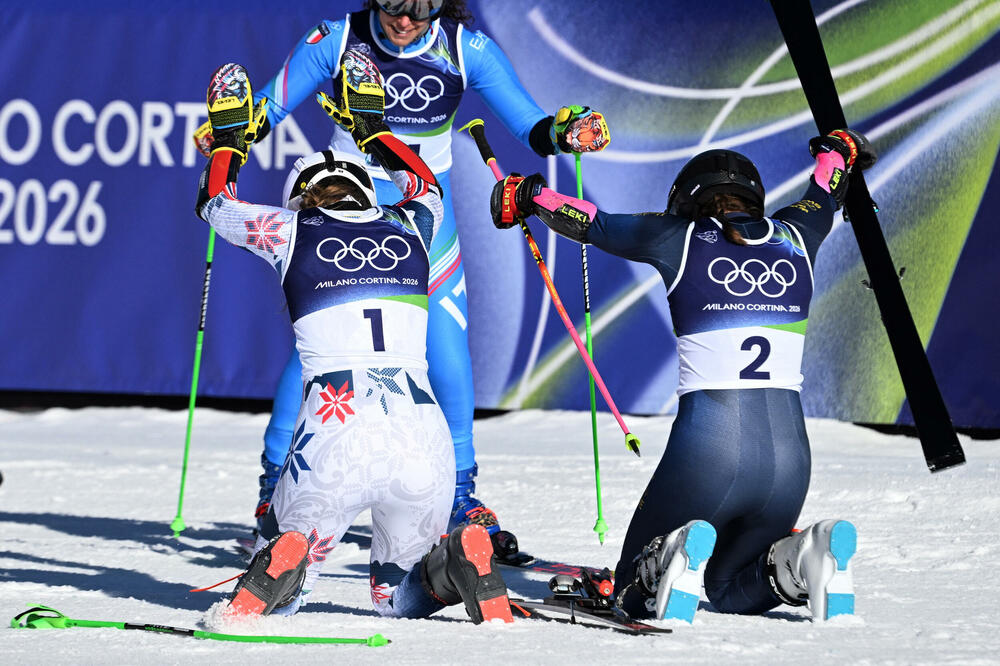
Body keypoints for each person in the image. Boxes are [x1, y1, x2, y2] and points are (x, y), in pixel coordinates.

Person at [195, 0, 609, 550]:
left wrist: (566, 131)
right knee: (320, 353)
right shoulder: (337, 39)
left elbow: (532, 128)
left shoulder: (465, 49)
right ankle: (274, 489)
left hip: (425, 217)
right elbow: (265, 110)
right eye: (395, 3)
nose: (407, 19)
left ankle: (459, 495)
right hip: (345, 208)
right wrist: (228, 135)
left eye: (423, 7)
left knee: (447, 351)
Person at [489, 129, 877, 623]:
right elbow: (826, 185)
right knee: (729, 586)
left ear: (687, 201)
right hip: (791, 462)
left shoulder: (679, 235)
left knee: (629, 588)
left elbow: (592, 222)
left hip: (710, 452)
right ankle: (804, 558)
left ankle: (675, 550)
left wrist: (529, 195)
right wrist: (838, 149)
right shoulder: (800, 231)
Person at [195, 55, 512, 623]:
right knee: (396, 598)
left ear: (299, 199)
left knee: (286, 568)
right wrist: (374, 128)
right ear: (368, 192)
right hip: (423, 434)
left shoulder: (289, 229)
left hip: (333, 434)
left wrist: (228, 142)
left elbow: (216, 204)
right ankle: (456, 561)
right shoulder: (413, 223)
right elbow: (425, 183)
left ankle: (288, 558)